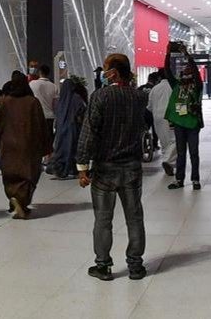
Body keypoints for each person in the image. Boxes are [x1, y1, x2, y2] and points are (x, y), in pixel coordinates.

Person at [77, 53, 149, 281]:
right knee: (135, 217)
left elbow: (89, 132)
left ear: (114, 73)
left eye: (106, 70)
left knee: (103, 219)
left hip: (105, 169)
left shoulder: (101, 97)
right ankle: (135, 266)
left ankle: (103, 266)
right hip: (132, 168)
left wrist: (82, 166)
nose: (104, 74)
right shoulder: (139, 97)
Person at [0, 71, 52, 219]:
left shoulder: (4, 101)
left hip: (8, 144)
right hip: (28, 144)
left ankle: (13, 200)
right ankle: (22, 202)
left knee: (10, 173)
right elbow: (41, 125)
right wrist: (46, 146)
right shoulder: (32, 102)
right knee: (29, 173)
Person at [166, 49, 205, 190]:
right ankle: (179, 180)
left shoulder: (197, 86)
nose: (187, 71)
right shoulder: (176, 86)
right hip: (179, 124)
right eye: (185, 70)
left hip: (192, 123)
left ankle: (195, 180)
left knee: (194, 153)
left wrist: (188, 57)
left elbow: (195, 71)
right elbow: (167, 72)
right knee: (181, 153)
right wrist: (168, 53)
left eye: (189, 70)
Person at [47, 76, 89, 179]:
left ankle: (60, 169)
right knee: (72, 149)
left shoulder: (61, 100)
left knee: (61, 149)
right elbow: (82, 111)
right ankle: (72, 169)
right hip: (73, 128)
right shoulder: (76, 98)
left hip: (61, 129)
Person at [148, 73, 176, 176]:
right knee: (174, 140)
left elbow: (149, 106)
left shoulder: (154, 88)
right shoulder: (173, 86)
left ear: (160, 78)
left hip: (157, 117)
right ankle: (168, 161)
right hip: (170, 116)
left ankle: (168, 163)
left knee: (163, 141)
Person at [30, 64, 60, 136]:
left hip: (36, 116)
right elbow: (55, 104)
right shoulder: (54, 86)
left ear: (39, 72)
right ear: (48, 73)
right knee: (48, 138)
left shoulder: (32, 84)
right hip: (49, 117)